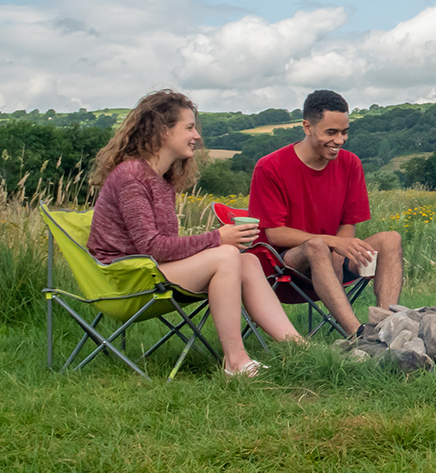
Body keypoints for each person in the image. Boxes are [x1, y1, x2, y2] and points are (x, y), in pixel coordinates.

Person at [88, 90, 302, 377]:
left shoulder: (161, 180)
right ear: (163, 131)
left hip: (150, 268)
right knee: (226, 256)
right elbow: (151, 247)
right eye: (189, 127)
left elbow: (163, 247)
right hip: (124, 277)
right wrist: (218, 239)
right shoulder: (131, 176)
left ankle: (299, 349)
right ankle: (235, 361)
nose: (196, 136)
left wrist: (222, 241)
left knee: (247, 260)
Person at [247, 89, 404, 336]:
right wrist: (332, 244)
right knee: (316, 245)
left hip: (335, 256)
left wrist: (337, 250)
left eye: (344, 132)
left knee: (390, 239)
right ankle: (359, 335)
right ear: (307, 127)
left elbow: (349, 223)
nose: (340, 140)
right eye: (331, 132)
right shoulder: (270, 167)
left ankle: (388, 328)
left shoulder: (350, 163)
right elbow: (275, 234)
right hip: (286, 264)